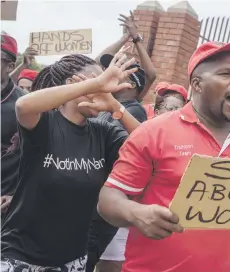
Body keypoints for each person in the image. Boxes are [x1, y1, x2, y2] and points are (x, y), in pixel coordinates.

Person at [97, 40, 230, 272]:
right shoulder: (154, 132)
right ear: (197, 84)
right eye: (226, 74)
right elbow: (108, 199)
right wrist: (135, 213)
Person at [1, 51, 140, 271]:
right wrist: (94, 84)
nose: (105, 86)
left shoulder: (103, 132)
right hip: (21, 257)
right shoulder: (44, 123)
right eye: (96, 80)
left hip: (72, 261)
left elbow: (148, 146)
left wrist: (115, 106)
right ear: (73, 85)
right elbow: (23, 106)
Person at [87, 12, 156, 272]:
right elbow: (96, 63)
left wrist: (137, 39)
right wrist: (124, 37)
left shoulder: (132, 111)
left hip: (112, 197)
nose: (110, 75)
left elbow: (151, 73)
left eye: (120, 75)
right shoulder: (108, 104)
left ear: (132, 85)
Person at [1, 34, 26, 218]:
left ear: (10, 66)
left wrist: (17, 194)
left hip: (6, 206)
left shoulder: (24, 104)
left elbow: (39, 153)